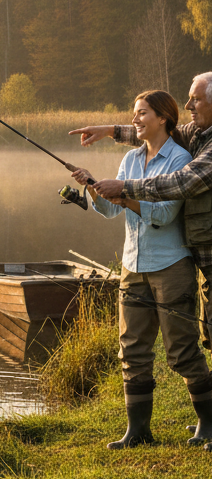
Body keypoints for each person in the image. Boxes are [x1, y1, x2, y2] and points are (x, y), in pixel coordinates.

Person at [72, 90, 212, 449]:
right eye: (134, 114)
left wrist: (125, 195)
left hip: (171, 265)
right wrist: (94, 189)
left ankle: (208, 425)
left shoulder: (181, 157)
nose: (135, 120)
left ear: (163, 118)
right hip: (132, 265)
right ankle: (137, 431)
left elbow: (165, 214)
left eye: (142, 113)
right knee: (131, 350)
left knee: (181, 351)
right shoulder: (131, 160)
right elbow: (111, 212)